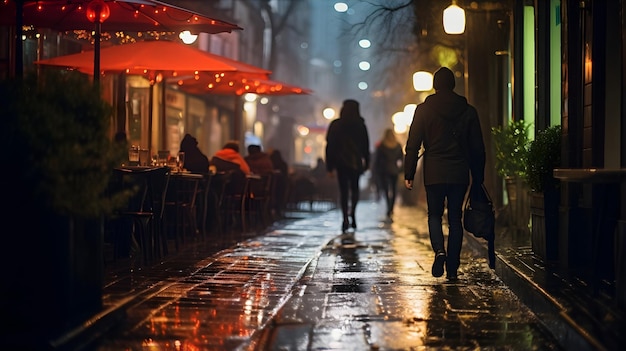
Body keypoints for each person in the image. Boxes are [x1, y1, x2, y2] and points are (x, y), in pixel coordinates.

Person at [404, 67, 486, 281]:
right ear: (453, 85)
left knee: (434, 215)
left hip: (434, 171)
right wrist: (478, 176)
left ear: (435, 86)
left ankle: (439, 251)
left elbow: (413, 144)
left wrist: (409, 172)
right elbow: (478, 147)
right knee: (455, 219)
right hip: (459, 171)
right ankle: (452, 265)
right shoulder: (468, 111)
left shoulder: (423, 110)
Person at [325, 99, 371, 233]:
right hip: (355, 162)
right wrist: (367, 162)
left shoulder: (336, 125)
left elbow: (330, 146)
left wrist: (329, 166)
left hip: (341, 163)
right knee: (355, 189)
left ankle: (345, 217)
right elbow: (365, 146)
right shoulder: (361, 125)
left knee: (343, 191)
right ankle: (353, 214)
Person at [374, 128, 404, 219]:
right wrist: (400, 169)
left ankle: (388, 206)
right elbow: (401, 158)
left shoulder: (382, 145)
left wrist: (376, 169)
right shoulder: (398, 145)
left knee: (386, 190)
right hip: (394, 170)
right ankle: (391, 208)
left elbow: (377, 159)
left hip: (384, 170)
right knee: (394, 190)